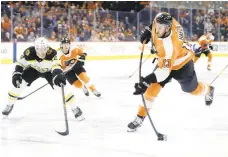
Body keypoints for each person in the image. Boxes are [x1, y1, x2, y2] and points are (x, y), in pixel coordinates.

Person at [127, 12, 215, 132]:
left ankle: (208, 89)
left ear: (168, 28)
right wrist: (149, 29)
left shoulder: (170, 45)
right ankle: (140, 117)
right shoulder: (164, 19)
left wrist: (147, 80)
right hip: (166, 61)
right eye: (156, 27)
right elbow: (157, 19)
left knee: (192, 90)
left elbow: (163, 72)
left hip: (182, 65)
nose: (157, 30)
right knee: (150, 91)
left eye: (160, 28)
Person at [2, 37, 84, 121]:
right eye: (40, 49)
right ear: (36, 48)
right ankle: (9, 105)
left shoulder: (52, 54)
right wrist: (17, 74)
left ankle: (75, 108)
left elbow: (56, 66)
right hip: (33, 70)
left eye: (44, 49)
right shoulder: (28, 53)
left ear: (47, 48)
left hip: (48, 72)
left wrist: (58, 75)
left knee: (62, 88)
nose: (42, 51)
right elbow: (20, 63)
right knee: (18, 86)